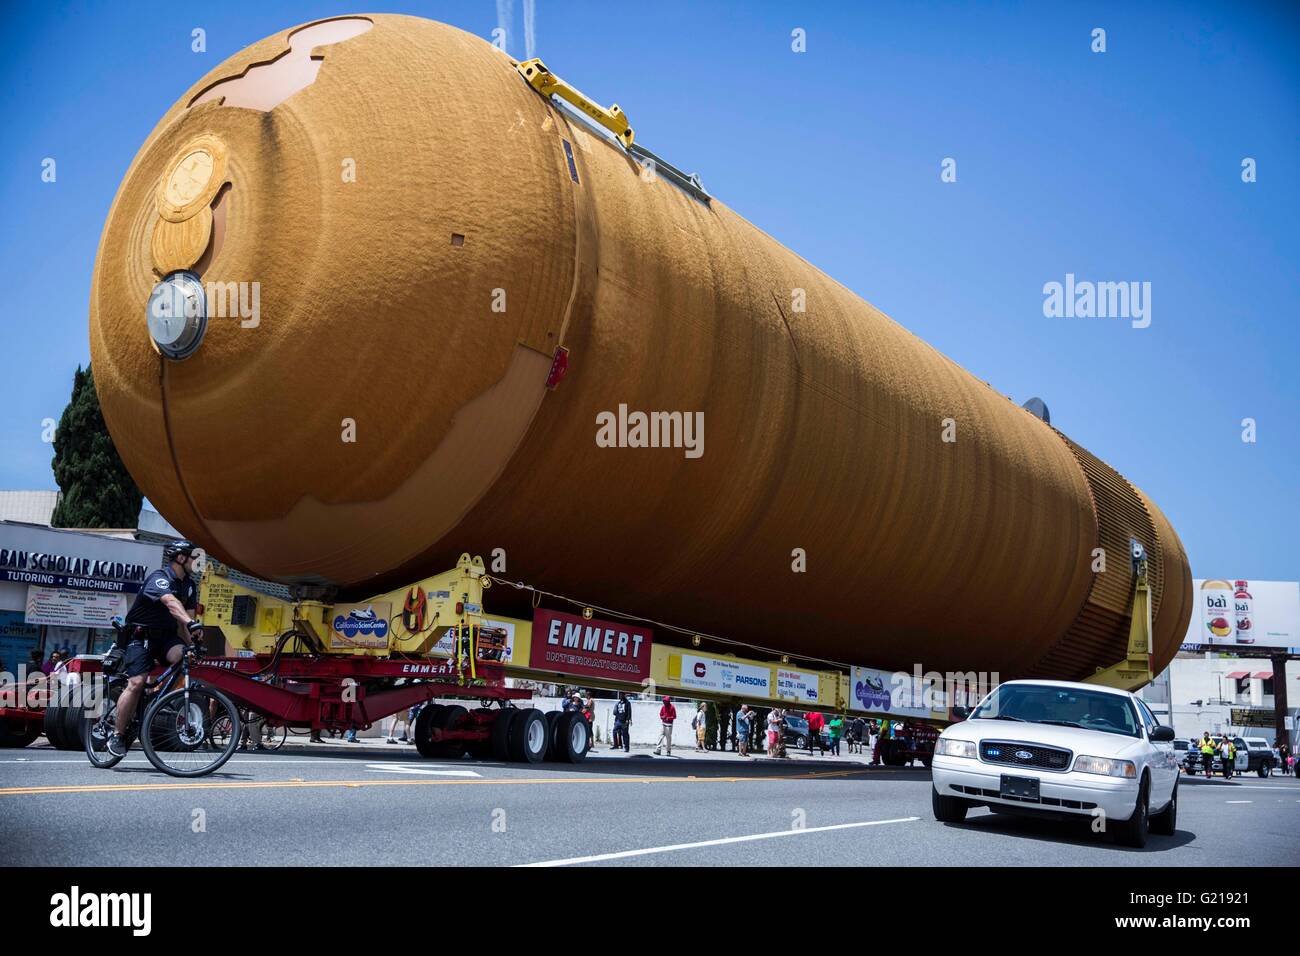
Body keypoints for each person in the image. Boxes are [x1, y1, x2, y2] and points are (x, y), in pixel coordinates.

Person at [108, 540, 204, 757]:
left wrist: (195, 643)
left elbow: (187, 620)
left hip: (166, 638)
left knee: (184, 655)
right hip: (140, 637)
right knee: (136, 682)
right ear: (181, 558)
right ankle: (118, 735)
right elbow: (171, 603)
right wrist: (189, 623)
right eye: (194, 558)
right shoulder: (159, 578)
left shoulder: (189, 585)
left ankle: (156, 695)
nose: (197, 563)